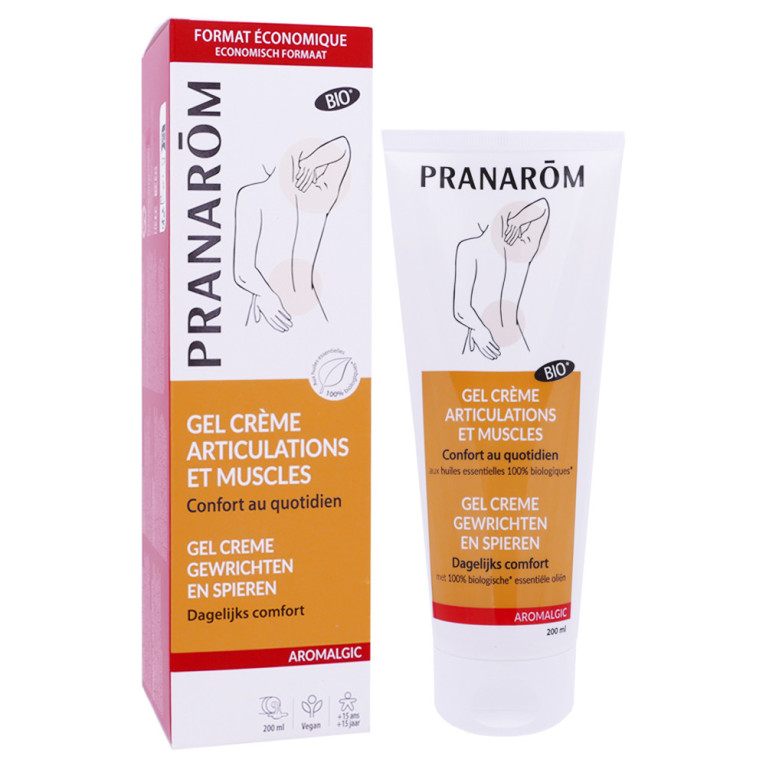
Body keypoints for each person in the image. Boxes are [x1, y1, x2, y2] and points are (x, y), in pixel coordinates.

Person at [233, 136, 351, 330]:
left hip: (283, 310)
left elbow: (243, 272)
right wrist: (266, 296)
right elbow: (243, 271)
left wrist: (265, 295)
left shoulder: (314, 196)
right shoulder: (317, 195)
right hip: (276, 312)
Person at [453, 198, 550, 357]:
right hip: (491, 342)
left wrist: (479, 329)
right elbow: (543, 208)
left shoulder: (471, 249)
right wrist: (517, 221)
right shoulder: (522, 247)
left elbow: (461, 309)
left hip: (486, 342)